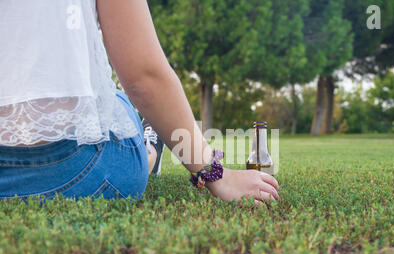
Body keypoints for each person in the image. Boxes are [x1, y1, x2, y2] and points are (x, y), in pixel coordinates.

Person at [0, 0, 279, 203]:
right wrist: (215, 174)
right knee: (120, 103)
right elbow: (144, 79)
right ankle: (148, 152)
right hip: (75, 174)